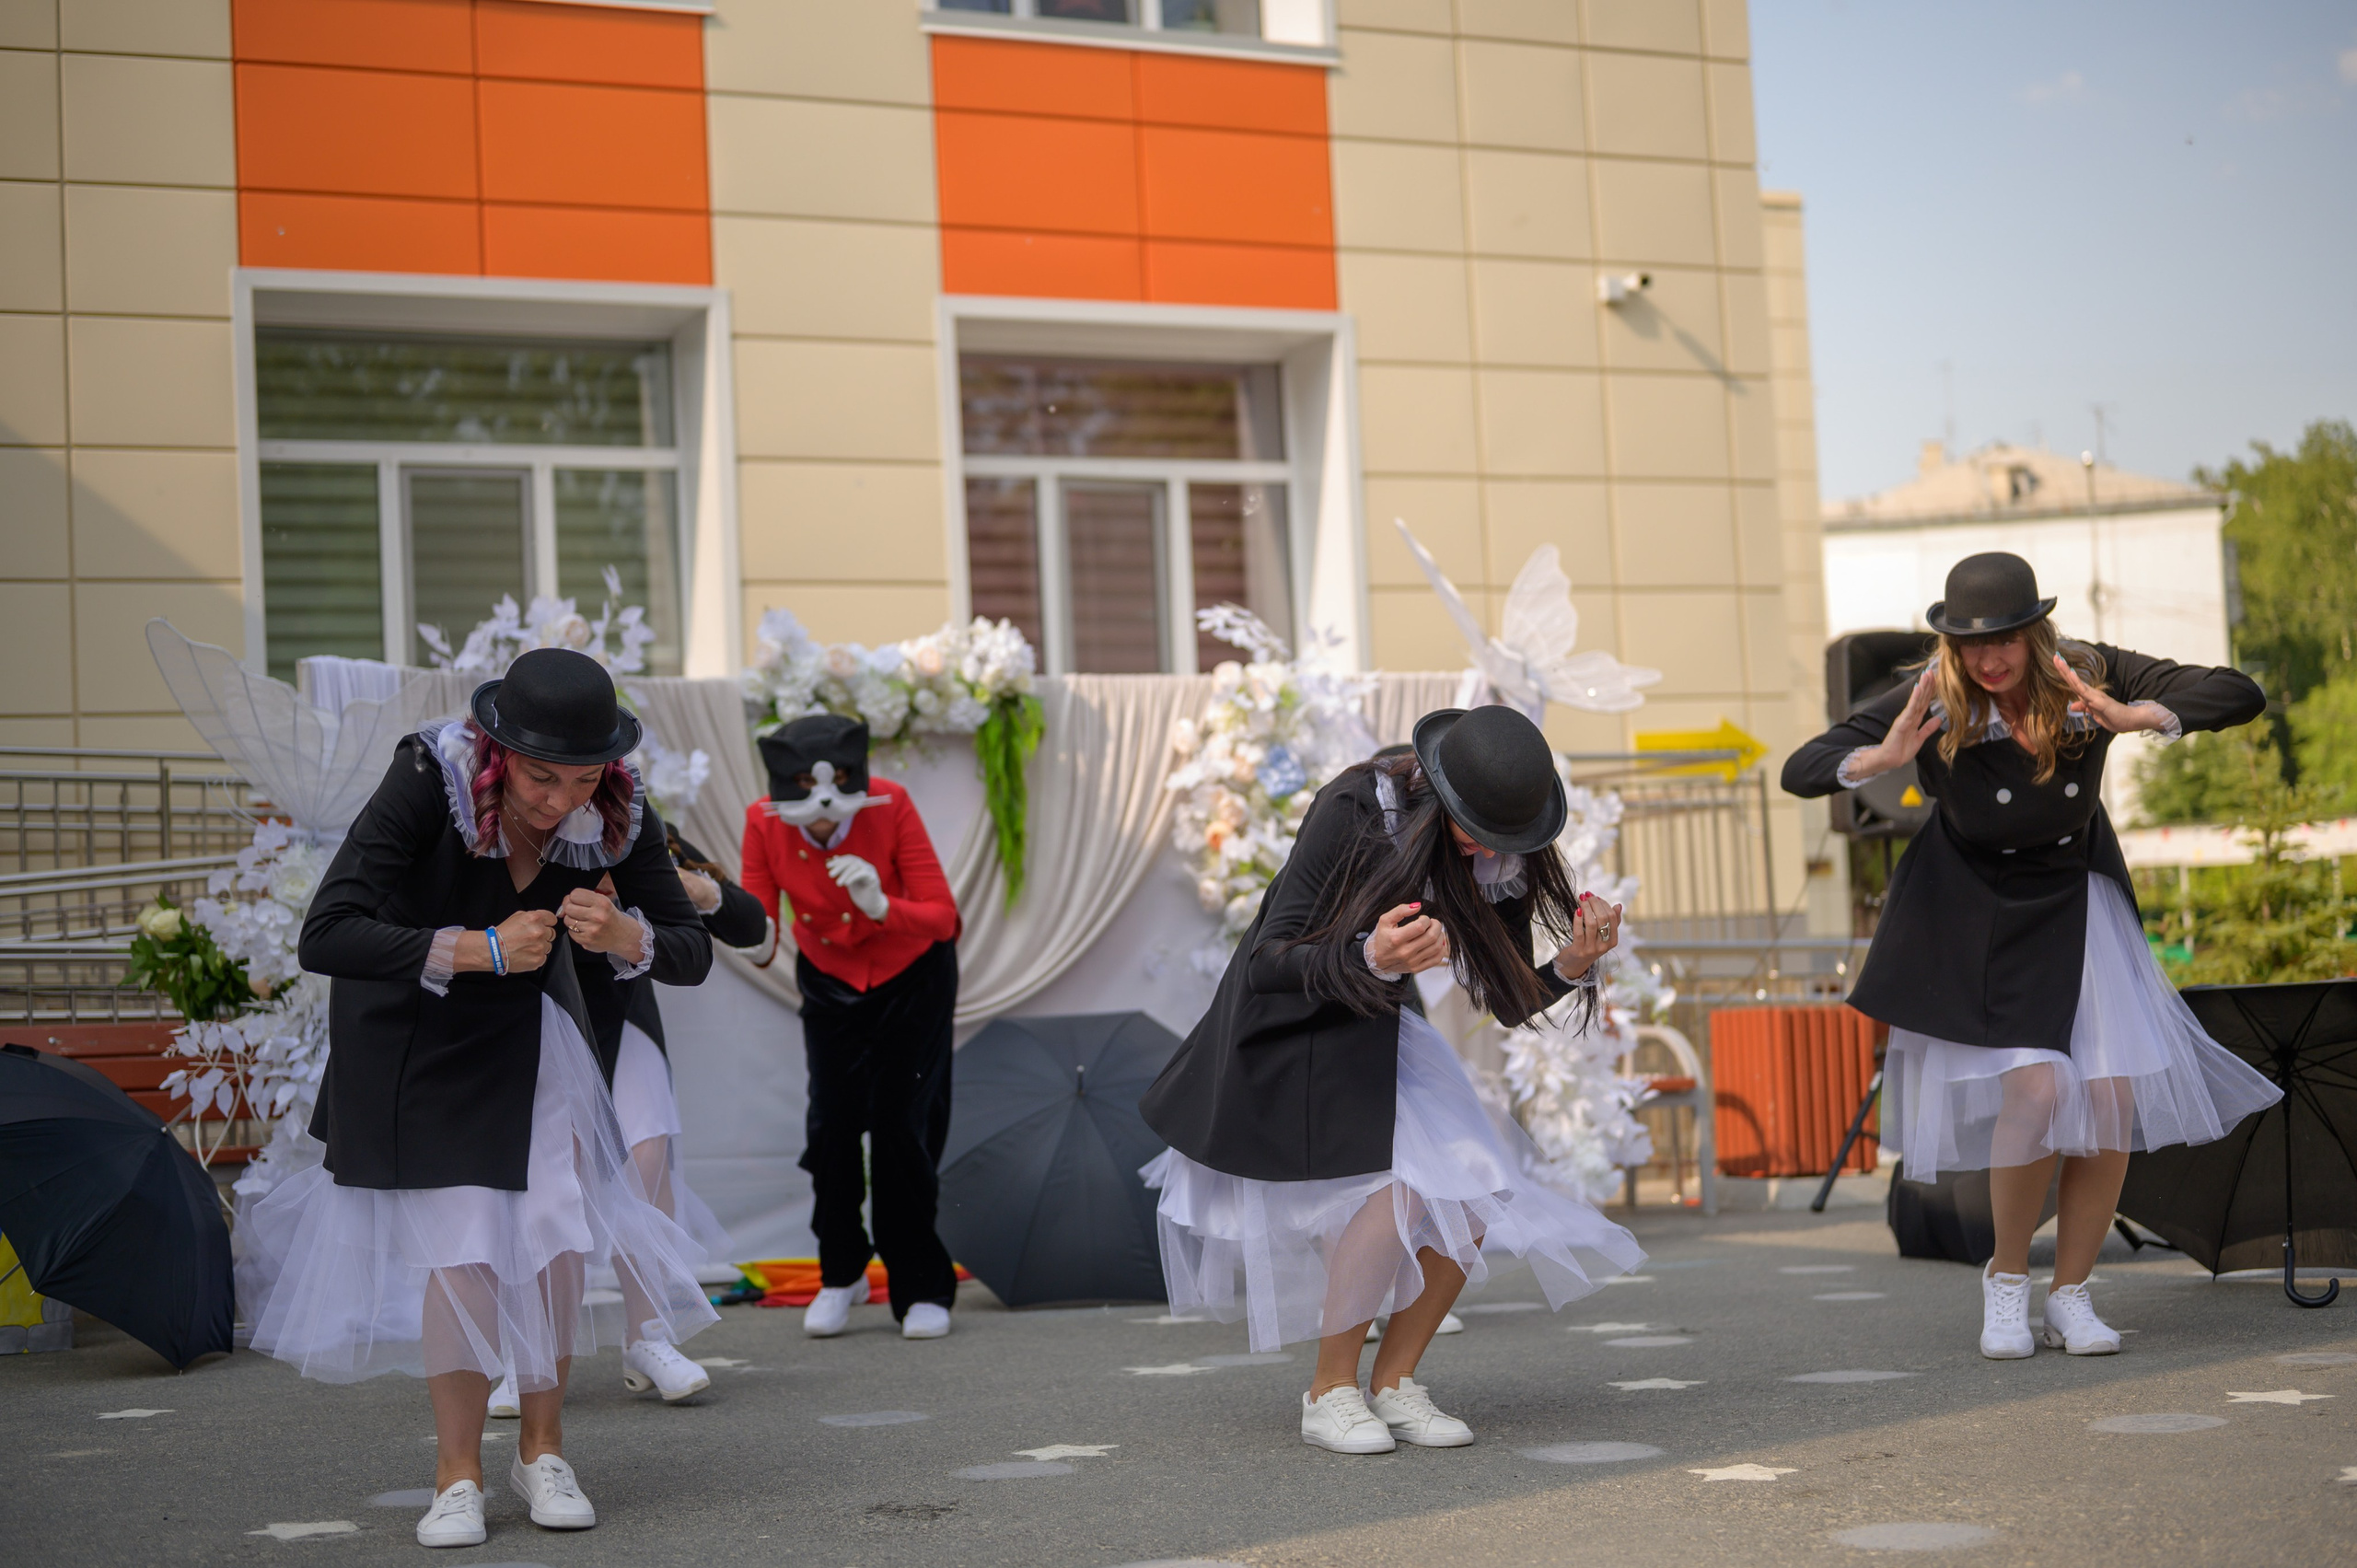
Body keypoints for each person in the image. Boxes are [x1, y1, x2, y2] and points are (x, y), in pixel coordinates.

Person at [246, 649, 717, 1550]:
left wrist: (625, 933)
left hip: (541, 1045)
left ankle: (542, 1452)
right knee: (461, 1251)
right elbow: (329, 929)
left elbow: (691, 947)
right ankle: (456, 1472)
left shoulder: (618, 807)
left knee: (551, 1243)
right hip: (426, 1039)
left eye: (582, 776)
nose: (558, 798)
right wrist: (479, 949)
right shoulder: (431, 776)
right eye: (542, 776)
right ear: (499, 750)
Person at [1782, 552, 2282, 1360]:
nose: (1988, 659)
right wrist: (1877, 757)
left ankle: (2072, 1294)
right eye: (1971, 643)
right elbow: (1799, 768)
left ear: (2034, 629)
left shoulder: (2089, 670)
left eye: (2005, 639)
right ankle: (2007, 1280)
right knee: (2042, 1088)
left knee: (2111, 1099)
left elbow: (2238, 691)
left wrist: (2135, 716)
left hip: (2075, 897)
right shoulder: (1933, 695)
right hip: (1976, 913)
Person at [1138, 704, 1648, 1454]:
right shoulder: (1354, 809)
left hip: (1379, 1026)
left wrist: (1572, 962)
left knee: (1473, 1187)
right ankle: (1330, 1390)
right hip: (1295, 1023)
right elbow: (1268, 959)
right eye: (1473, 824)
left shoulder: (1502, 851)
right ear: (1440, 789)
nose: (1484, 846)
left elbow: (1507, 1001)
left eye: (1502, 835)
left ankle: (1395, 1380)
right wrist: (1371, 954)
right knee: (1401, 1186)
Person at [485, 826, 771, 1418]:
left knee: (647, 1156)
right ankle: (527, 1352)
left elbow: (756, 932)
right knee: (541, 1172)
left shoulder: (633, 819)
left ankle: (649, 1334)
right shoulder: (499, 811)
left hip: (624, 1007)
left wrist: (689, 888)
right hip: (529, 1008)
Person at [739, 714, 963, 1341]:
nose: (820, 808)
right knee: (832, 1127)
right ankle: (841, 1272)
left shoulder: (891, 803)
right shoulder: (762, 821)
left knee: (900, 1129)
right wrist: (725, 919)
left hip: (911, 975)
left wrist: (882, 905)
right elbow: (760, 928)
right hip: (831, 981)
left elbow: (943, 918)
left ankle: (920, 1283)